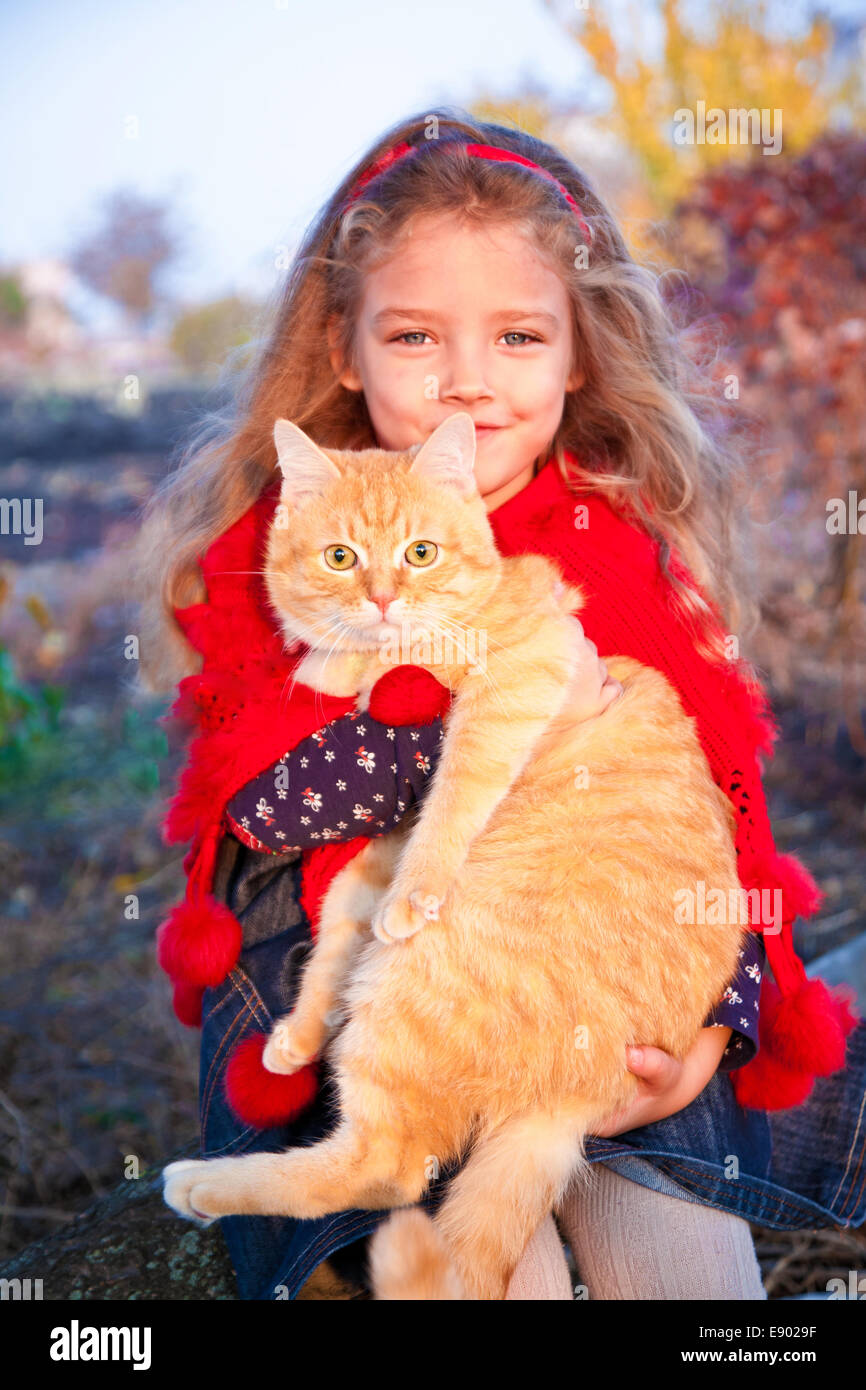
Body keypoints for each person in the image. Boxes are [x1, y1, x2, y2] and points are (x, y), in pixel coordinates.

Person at [137, 109, 864, 1300]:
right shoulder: (290, 541)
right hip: (376, 990)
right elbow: (260, 809)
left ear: (577, 353)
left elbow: (715, 818)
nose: (466, 380)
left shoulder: (622, 557)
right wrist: (494, 713)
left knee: (685, 1264)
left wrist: (710, 1026)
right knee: (489, 1266)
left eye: (517, 335)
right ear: (343, 350)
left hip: (587, 965)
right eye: (415, 335)